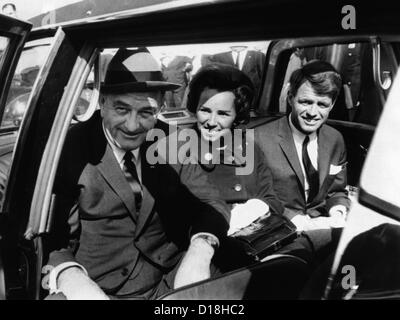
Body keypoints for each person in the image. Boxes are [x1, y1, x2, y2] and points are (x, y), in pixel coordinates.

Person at [43, 48, 230, 300]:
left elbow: (211, 203)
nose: (132, 126)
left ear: (161, 107)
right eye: (121, 109)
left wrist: (200, 250)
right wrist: (71, 275)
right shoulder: (68, 151)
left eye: (146, 113)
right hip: (100, 290)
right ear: (101, 102)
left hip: (172, 278)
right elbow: (54, 239)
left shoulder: (174, 140)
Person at [184, 64, 287, 269]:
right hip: (207, 255)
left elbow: (273, 201)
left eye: (222, 113)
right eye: (205, 110)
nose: (212, 122)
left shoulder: (248, 147)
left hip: (258, 244)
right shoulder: (180, 149)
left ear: (237, 116)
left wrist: (254, 208)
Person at [254, 60, 351, 254]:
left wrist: (337, 213)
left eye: (322, 104)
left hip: (324, 228)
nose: (313, 113)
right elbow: (251, 197)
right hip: (278, 233)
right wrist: (298, 221)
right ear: (290, 98)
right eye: (305, 102)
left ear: (331, 105)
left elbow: (337, 191)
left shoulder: (335, 139)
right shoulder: (255, 139)